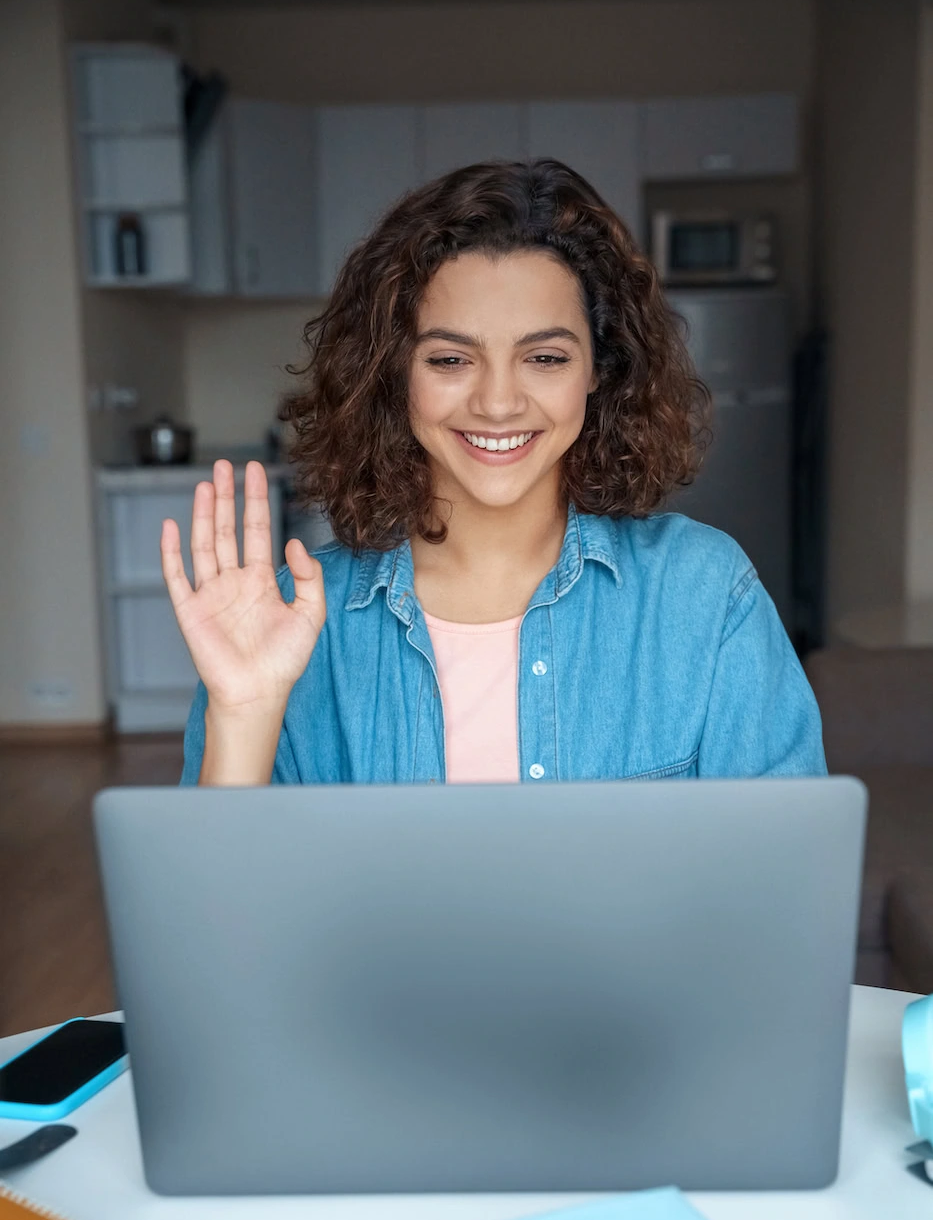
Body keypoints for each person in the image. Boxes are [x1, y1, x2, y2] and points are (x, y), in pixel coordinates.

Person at [163, 158, 826, 787]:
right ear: (395, 374)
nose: (498, 402)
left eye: (544, 358)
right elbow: (220, 904)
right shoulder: (297, 626)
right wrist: (244, 713)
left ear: (599, 369)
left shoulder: (704, 596)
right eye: (451, 360)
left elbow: (785, 879)